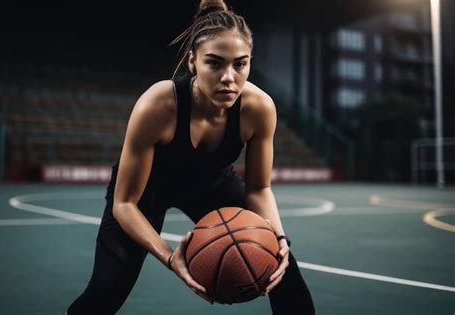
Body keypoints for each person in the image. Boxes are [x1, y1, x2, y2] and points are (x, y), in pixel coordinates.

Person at [67, 0, 315, 314]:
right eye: (215, 63)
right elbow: (125, 204)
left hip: (212, 186)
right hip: (146, 193)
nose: (229, 77)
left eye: (240, 64)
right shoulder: (159, 105)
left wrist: (279, 239)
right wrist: (171, 257)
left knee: (284, 271)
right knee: (106, 289)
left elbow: (259, 189)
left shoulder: (259, 108)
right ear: (193, 62)